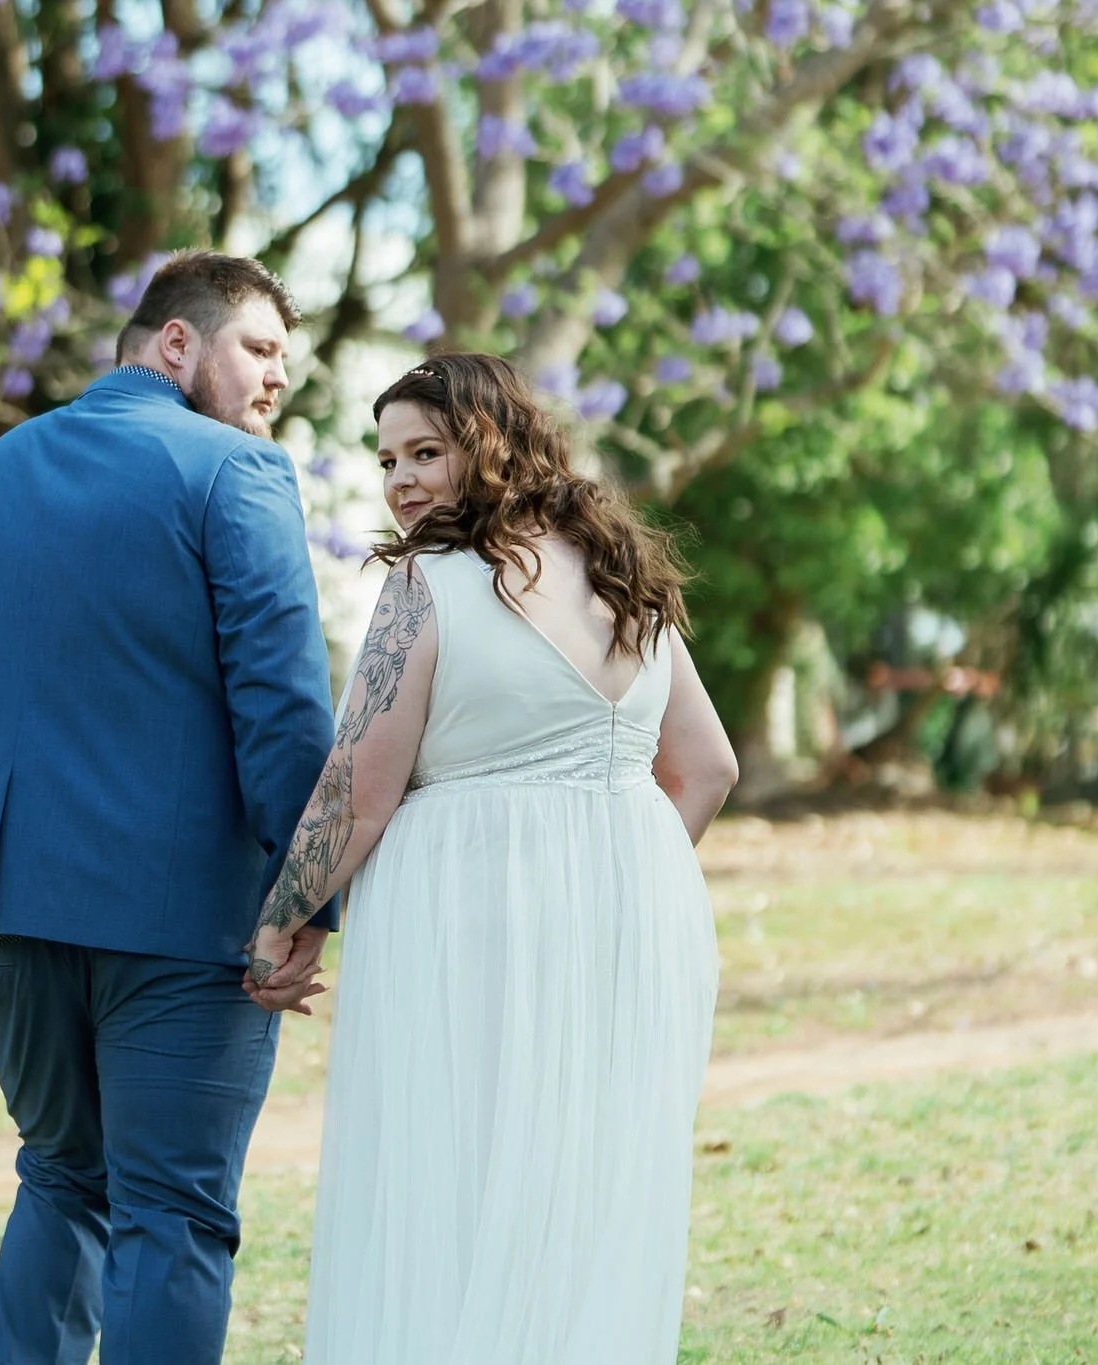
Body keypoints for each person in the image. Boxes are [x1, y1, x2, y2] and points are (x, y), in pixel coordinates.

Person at [246, 353, 740, 1364]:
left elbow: (358, 790)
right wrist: (611, 878)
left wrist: (278, 920)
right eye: (386, 459)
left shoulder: (426, 586)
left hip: (466, 924)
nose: (399, 481)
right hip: (636, 931)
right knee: (578, 1190)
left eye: (425, 451)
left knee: (454, 1180)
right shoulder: (624, 578)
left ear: (494, 442)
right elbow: (706, 769)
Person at [0, 251, 340, 1364]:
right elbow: (282, 712)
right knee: (173, 1212)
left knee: (60, 1181)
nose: (272, 383)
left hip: (5, 909)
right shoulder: (235, 475)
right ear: (175, 344)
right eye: (258, 350)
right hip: (183, 924)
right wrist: (302, 905)